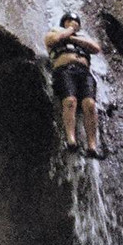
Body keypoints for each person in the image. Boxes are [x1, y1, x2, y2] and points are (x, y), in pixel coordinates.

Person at [44, 12, 103, 158]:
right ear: (63, 22)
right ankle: (71, 140)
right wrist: (70, 30)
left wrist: (74, 38)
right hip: (64, 70)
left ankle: (92, 145)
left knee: (90, 104)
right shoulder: (54, 32)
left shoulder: (82, 38)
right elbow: (54, 40)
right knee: (70, 101)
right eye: (69, 20)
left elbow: (96, 48)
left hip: (84, 73)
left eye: (75, 21)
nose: (73, 22)